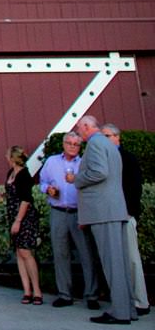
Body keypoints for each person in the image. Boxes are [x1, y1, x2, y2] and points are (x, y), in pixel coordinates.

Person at [74, 115, 136, 325]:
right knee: (119, 262)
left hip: (103, 211)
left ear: (85, 127)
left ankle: (119, 312)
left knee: (111, 263)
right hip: (114, 209)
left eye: (79, 129)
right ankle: (128, 309)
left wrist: (77, 180)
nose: (79, 134)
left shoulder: (95, 144)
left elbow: (99, 172)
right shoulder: (109, 145)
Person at [38, 132, 100, 310]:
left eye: (76, 144)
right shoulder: (52, 162)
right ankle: (65, 294)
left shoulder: (84, 164)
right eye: (70, 143)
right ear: (63, 144)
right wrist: (47, 189)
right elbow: (42, 182)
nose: (72, 146)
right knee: (60, 254)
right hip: (58, 211)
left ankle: (91, 295)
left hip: (79, 212)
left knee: (86, 254)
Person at [102, 124, 150, 316]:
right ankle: (124, 299)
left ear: (116, 137)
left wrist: (129, 211)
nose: (103, 140)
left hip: (125, 215)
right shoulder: (105, 159)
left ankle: (141, 300)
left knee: (131, 258)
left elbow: (134, 186)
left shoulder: (127, 158)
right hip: (110, 215)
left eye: (106, 136)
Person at [4, 145, 43, 305]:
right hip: (13, 214)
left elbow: (25, 199)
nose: (6, 159)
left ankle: (37, 291)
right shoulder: (11, 173)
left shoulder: (24, 175)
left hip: (24, 217)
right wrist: (2, 195)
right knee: (19, 252)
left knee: (26, 252)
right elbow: (13, 193)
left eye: (8, 156)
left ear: (13, 158)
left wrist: (18, 221)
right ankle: (26, 290)